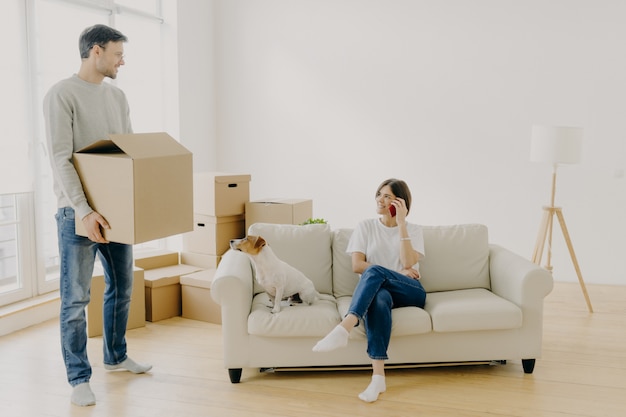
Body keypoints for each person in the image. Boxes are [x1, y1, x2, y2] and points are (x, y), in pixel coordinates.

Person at [43, 24, 151, 407]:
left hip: (116, 212)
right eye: (118, 53)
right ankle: (78, 378)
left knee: (122, 288)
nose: (123, 60)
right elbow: (60, 157)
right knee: (75, 301)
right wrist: (85, 211)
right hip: (77, 214)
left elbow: (126, 151)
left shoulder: (117, 97)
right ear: (95, 52)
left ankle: (116, 356)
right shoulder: (61, 94)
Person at [313, 178, 426, 403]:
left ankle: (346, 326)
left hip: (410, 290)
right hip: (381, 290)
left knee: (374, 271)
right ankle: (378, 377)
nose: (380, 200)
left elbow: (408, 262)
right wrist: (396, 271)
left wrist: (402, 224)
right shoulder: (366, 226)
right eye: (379, 194)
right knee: (378, 297)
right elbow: (357, 265)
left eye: (387, 196)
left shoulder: (414, 229)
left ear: (400, 203)